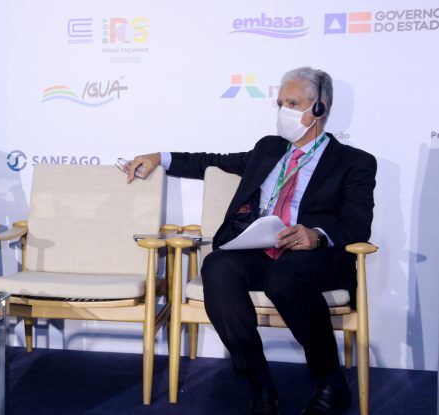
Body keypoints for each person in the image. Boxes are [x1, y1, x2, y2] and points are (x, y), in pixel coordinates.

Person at [125, 67, 376, 415]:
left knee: (284, 277)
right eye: (280, 103)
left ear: (319, 108)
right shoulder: (269, 148)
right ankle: (259, 384)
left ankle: (330, 382)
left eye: (293, 103)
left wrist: (316, 235)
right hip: (263, 250)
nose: (283, 111)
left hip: (312, 258)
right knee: (217, 265)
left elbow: (357, 223)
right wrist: (160, 158)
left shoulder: (354, 162)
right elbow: (212, 162)